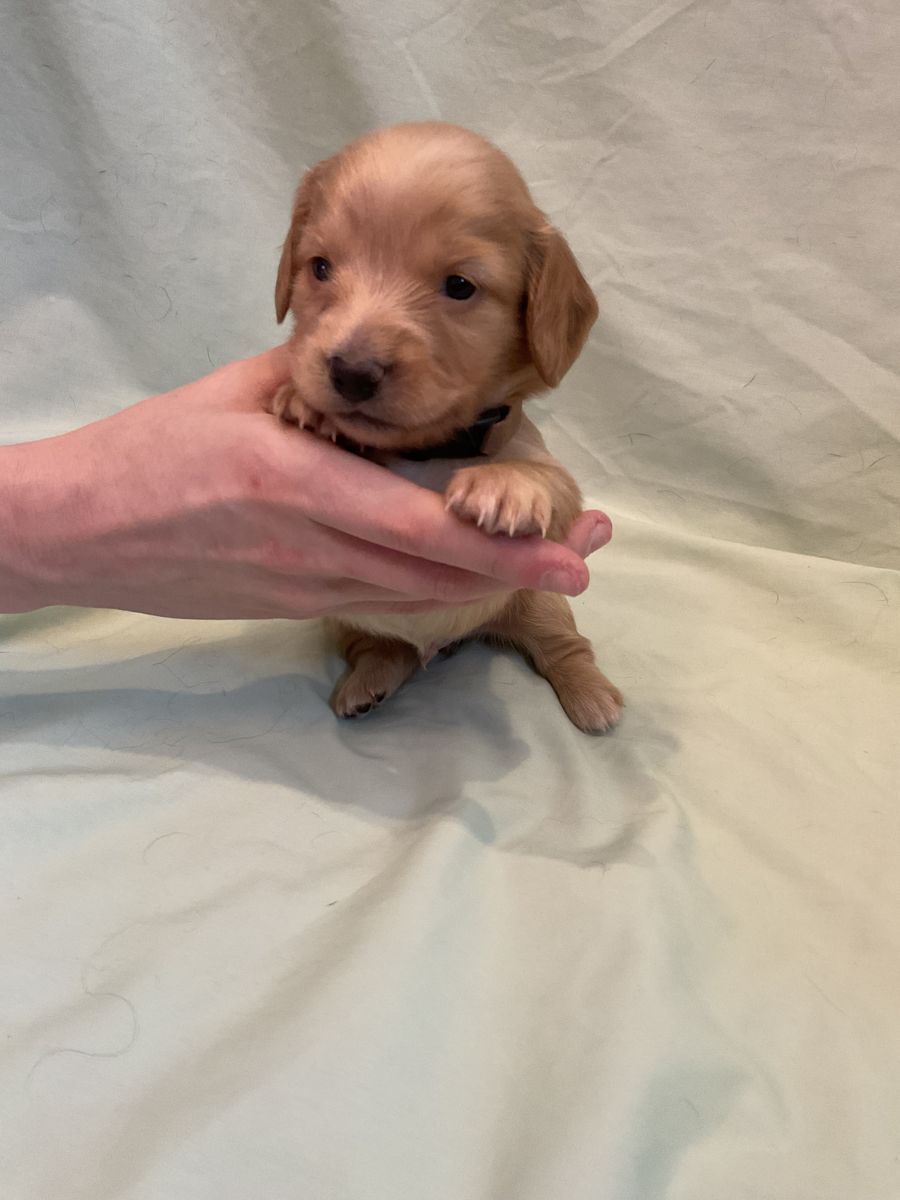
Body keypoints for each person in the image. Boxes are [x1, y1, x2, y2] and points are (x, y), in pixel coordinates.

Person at [0, 346, 612, 620]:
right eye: (323, 268)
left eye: (457, 287)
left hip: (495, 610)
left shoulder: (507, 434)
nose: (357, 345)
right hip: (370, 624)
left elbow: (552, 494)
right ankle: (382, 657)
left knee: (539, 620)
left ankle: (566, 661)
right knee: (358, 627)